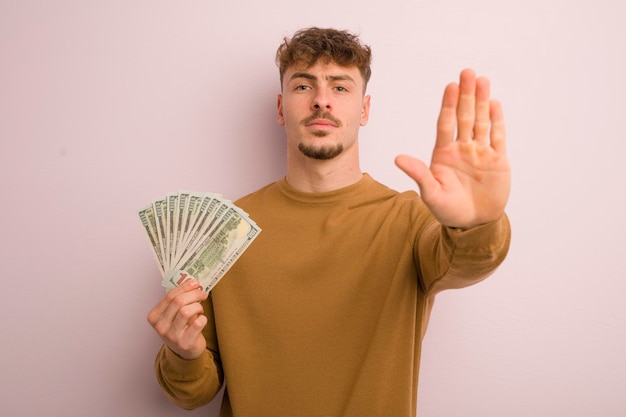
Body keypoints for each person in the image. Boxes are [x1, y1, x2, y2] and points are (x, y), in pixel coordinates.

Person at [147, 27, 511, 416]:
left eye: (340, 88)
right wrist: (182, 353)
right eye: (303, 87)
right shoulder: (228, 229)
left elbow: (468, 261)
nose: (322, 101)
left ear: (365, 109)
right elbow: (194, 393)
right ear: (281, 107)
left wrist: (478, 223)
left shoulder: (408, 219)